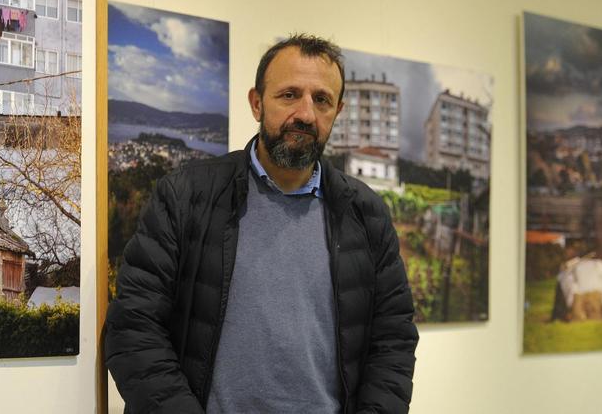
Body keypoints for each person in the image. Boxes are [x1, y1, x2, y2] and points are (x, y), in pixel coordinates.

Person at [105, 34, 419, 413]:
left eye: (321, 100)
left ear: (337, 111)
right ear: (257, 103)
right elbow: (134, 329)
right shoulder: (186, 195)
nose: (305, 113)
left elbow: (394, 341)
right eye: (289, 95)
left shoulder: (366, 214)